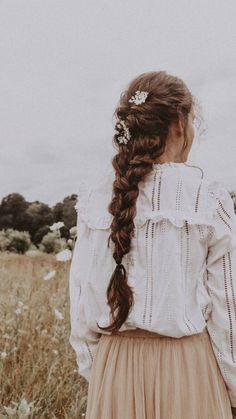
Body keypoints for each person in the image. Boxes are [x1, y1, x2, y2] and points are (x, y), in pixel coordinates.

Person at [69, 70, 236, 418]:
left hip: (113, 370)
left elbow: (82, 304)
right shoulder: (208, 197)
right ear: (179, 124)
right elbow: (228, 311)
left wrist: (98, 376)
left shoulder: (95, 198)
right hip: (188, 372)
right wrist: (233, 388)